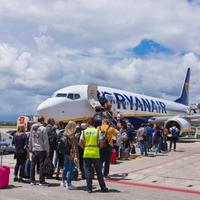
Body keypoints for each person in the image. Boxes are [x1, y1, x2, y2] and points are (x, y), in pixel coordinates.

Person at [79, 118, 108, 193]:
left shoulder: (84, 132)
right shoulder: (97, 131)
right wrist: (99, 147)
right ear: (94, 124)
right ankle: (103, 187)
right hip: (95, 153)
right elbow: (101, 142)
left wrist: (84, 148)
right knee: (98, 171)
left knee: (88, 171)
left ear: (88, 124)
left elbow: (80, 143)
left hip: (87, 153)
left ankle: (89, 188)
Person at [29, 116, 49, 186]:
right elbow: (45, 141)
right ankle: (41, 180)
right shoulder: (43, 128)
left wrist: (30, 147)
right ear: (43, 120)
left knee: (33, 164)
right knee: (41, 165)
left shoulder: (32, 128)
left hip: (34, 149)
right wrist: (47, 150)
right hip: (41, 149)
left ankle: (32, 180)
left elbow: (30, 138)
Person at [60, 121, 79, 190]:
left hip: (66, 153)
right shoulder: (72, 135)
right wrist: (76, 155)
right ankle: (69, 184)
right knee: (71, 168)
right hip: (71, 153)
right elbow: (74, 146)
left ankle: (63, 181)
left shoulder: (65, 133)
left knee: (65, 167)